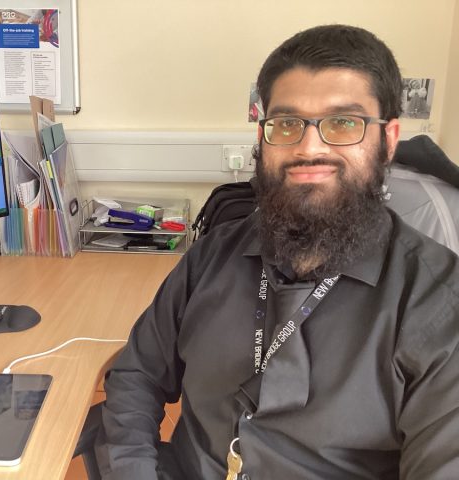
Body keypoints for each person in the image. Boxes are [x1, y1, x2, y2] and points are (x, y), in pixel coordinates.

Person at [95, 24, 459, 480]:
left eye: (343, 123)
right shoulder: (215, 254)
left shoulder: (440, 310)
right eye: (286, 124)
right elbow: (137, 376)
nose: (309, 147)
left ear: (388, 141)